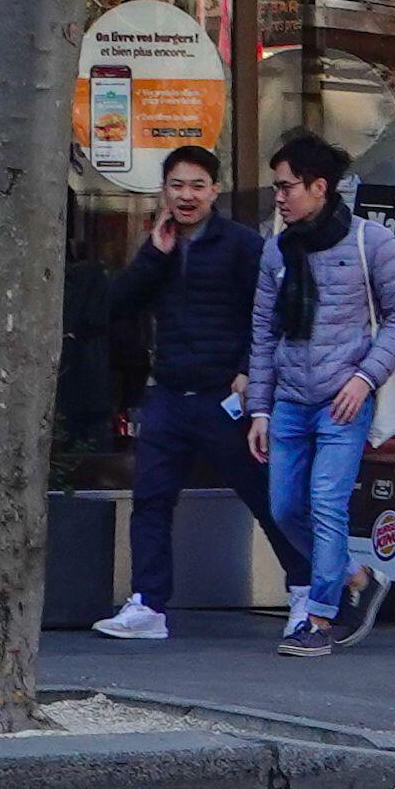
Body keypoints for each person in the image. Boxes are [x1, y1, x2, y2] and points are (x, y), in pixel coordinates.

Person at [240, 129, 395, 657]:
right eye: (277, 187)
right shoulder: (277, 250)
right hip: (291, 398)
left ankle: (319, 618)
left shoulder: (370, 241)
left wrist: (364, 379)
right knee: (284, 506)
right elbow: (264, 334)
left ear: (319, 187)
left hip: (344, 397)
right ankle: (356, 577)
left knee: (326, 502)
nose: (279, 196)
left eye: (287, 186)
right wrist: (260, 409)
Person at [94, 144, 262, 643]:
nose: (186, 196)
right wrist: (153, 256)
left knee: (266, 494)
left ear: (215, 190)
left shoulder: (242, 245)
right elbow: (116, 305)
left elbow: (265, 316)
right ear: (164, 191)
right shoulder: (157, 245)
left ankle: (304, 592)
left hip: (223, 395)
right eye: (176, 186)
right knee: (151, 498)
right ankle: (147, 603)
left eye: (197, 186)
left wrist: (249, 371)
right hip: (167, 391)